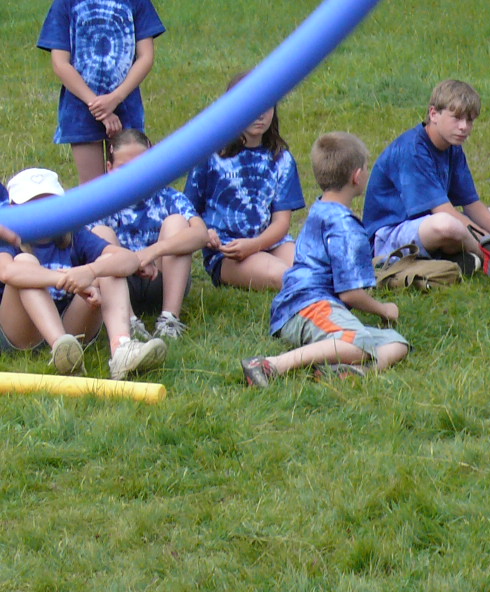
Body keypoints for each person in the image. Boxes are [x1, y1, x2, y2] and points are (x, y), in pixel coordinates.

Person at [242, 132, 409, 386]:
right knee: (358, 343)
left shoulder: (321, 207)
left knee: (397, 343)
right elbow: (350, 294)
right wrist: (383, 309)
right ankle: (270, 365)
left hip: (307, 307)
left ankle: (351, 371)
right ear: (357, 176)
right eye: (366, 167)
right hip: (308, 306)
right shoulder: (345, 227)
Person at [0, 167, 166, 379]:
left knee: (108, 263)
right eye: (33, 204)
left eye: (49, 203)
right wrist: (68, 279)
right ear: (14, 209)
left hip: (72, 325)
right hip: (23, 331)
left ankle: (121, 348)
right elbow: (6, 271)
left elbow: (129, 259)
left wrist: (89, 271)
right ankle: (60, 349)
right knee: (25, 262)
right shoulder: (7, 237)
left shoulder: (73, 233)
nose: (42, 211)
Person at [38, 0, 166, 186]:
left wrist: (116, 98)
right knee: (93, 191)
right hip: (81, 110)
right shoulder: (65, 3)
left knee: (131, 187)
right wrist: (100, 107)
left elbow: (146, 57)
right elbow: (61, 64)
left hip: (127, 106)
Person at [363, 79, 490, 269]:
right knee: (446, 225)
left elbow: (471, 203)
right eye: (457, 118)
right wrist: (488, 241)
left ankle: (462, 255)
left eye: (470, 120)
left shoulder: (452, 146)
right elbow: (443, 212)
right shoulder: (412, 150)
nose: (464, 127)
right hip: (389, 236)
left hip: (433, 224)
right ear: (433, 114)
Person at [185, 81, 304, 291]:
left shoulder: (282, 159)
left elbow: (281, 222)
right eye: (251, 106)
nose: (260, 114)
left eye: (266, 106)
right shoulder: (210, 156)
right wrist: (205, 234)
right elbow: (187, 210)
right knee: (283, 277)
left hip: (272, 243)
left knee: (311, 274)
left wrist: (256, 245)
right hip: (228, 252)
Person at [91, 128, 207, 339]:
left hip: (161, 280)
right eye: (124, 167)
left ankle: (169, 319)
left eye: (142, 165)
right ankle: (128, 321)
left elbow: (201, 234)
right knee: (100, 233)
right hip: (117, 284)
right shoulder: (99, 201)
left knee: (177, 223)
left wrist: (152, 252)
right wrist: (132, 261)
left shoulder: (166, 196)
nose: (134, 174)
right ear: (109, 168)